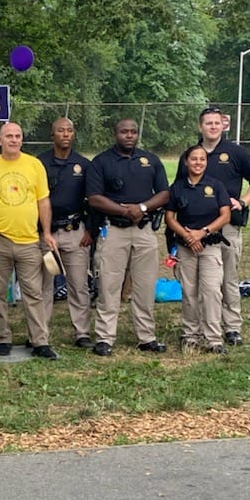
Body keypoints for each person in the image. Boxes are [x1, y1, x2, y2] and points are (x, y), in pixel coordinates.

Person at [178, 107, 250, 346]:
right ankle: (194, 331)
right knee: (195, 283)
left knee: (227, 278)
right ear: (200, 126)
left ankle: (231, 327)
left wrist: (243, 201)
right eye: (208, 123)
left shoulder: (236, 152)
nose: (213, 127)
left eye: (217, 123)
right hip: (194, 229)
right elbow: (179, 190)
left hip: (226, 227)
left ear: (223, 126)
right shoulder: (191, 155)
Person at [86, 118, 170, 357]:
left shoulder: (150, 160)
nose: (129, 135)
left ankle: (146, 337)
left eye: (133, 132)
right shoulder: (101, 162)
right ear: (116, 134)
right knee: (109, 286)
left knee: (144, 285)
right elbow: (94, 198)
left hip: (144, 231)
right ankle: (104, 338)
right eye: (124, 132)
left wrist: (142, 208)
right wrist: (125, 211)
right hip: (113, 230)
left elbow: (164, 194)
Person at [0, 122, 59, 360]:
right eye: (9, 136)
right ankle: (3, 338)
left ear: (22, 140)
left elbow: (43, 201)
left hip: (29, 240)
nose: (14, 140)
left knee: (34, 293)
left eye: (18, 136)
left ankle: (39, 340)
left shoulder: (34, 165)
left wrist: (47, 232)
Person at [165, 145, 232, 354]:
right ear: (186, 161)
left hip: (210, 245)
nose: (198, 163)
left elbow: (225, 216)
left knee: (212, 291)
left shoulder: (216, 186)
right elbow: (169, 218)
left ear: (207, 162)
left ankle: (213, 338)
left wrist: (202, 232)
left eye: (202, 159)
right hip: (186, 248)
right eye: (194, 159)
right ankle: (190, 335)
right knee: (189, 291)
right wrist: (187, 236)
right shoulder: (177, 187)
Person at [37, 117, 92, 348]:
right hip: (45, 233)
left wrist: (91, 228)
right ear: (53, 135)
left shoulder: (84, 165)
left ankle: (82, 332)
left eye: (69, 130)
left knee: (78, 285)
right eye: (61, 130)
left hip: (75, 232)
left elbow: (94, 199)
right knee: (43, 286)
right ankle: (40, 334)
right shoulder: (39, 163)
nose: (66, 134)